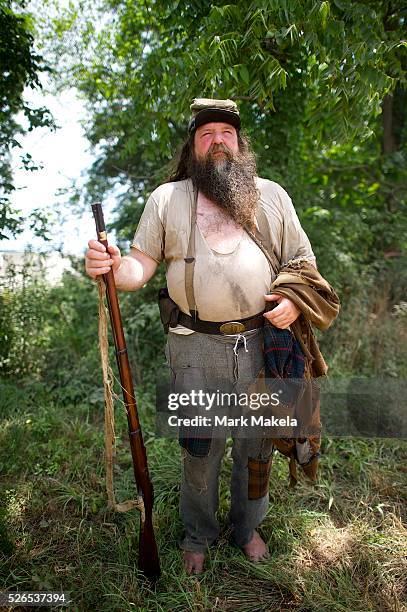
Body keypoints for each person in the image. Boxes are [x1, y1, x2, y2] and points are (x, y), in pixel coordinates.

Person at [85, 98, 317, 575]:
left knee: (257, 445)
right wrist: (110, 264)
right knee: (199, 447)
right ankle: (198, 533)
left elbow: (304, 264)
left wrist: (294, 301)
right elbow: (138, 267)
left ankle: (248, 528)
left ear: (239, 143)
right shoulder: (166, 200)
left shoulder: (271, 196)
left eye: (226, 134)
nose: (217, 142)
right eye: (206, 134)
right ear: (193, 147)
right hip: (192, 346)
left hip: (262, 345)